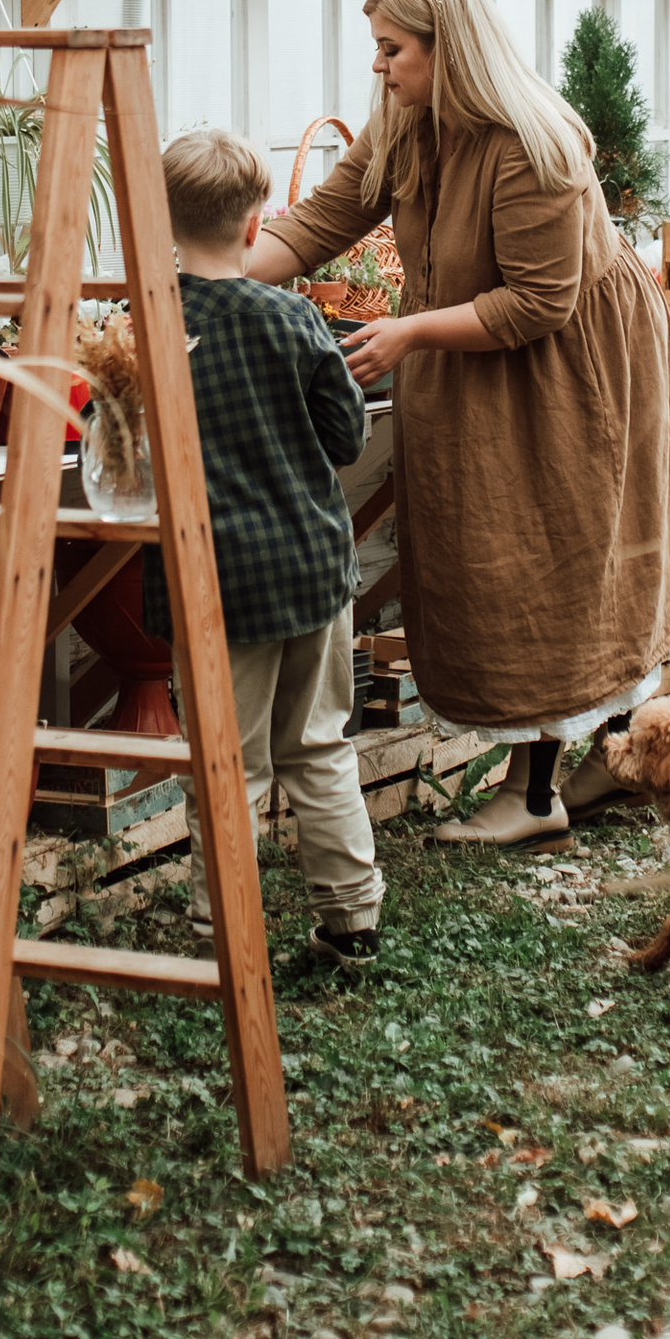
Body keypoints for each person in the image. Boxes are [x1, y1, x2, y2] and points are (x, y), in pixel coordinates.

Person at [249, 0, 670, 851]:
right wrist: (198, 282)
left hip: (571, 361)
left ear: (448, 51)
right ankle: (606, 751)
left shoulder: (535, 145)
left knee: (557, 555)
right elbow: (323, 219)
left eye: (392, 50)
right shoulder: (407, 121)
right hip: (480, 340)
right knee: (508, 555)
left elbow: (539, 303)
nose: (378, 67)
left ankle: (536, 797)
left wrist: (410, 333)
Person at [148, 127, 384, 972]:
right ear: (257, 226)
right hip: (312, 570)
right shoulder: (296, 317)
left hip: (216, 587)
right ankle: (352, 920)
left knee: (229, 767)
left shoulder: (146, 329)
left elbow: (125, 453)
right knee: (318, 746)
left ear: (157, 220)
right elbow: (347, 438)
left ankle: (226, 936)